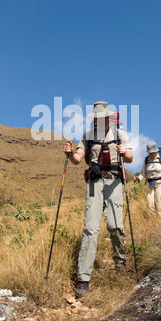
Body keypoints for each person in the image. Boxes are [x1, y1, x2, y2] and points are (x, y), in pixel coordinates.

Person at [63, 101, 133, 298]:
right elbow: (78, 159)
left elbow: (129, 157)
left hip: (114, 181)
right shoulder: (87, 137)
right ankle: (83, 278)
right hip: (95, 182)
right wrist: (70, 154)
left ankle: (120, 259)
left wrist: (124, 153)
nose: (100, 119)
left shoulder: (119, 134)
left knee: (115, 224)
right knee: (90, 228)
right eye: (97, 117)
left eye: (104, 116)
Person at [134, 142, 161, 219]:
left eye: (153, 153)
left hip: (160, 183)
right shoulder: (147, 160)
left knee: (159, 203)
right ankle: (153, 221)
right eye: (150, 153)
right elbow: (143, 173)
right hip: (149, 184)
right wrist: (138, 178)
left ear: (156, 151)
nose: (151, 154)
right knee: (150, 204)